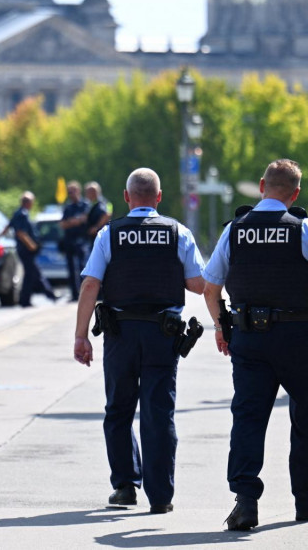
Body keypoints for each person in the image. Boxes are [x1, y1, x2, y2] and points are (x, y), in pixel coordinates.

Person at [201, 159, 308, 531]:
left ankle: (246, 504)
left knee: (248, 419)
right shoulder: (305, 229)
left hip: (250, 339)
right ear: (295, 193)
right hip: (300, 339)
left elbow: (210, 287)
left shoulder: (235, 230)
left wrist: (222, 326)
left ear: (262, 186)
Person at [73, 168, 205, 513]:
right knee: (158, 412)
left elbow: (90, 285)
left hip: (121, 334)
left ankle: (125, 486)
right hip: (164, 334)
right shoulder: (178, 232)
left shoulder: (109, 234)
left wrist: (80, 335)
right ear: (158, 198)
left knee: (119, 409)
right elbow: (198, 283)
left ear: (127, 197)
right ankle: (160, 497)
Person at [7, 191, 58, 307]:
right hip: (26, 250)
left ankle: (44, 296)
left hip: (23, 250)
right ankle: (31, 299)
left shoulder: (17, 213)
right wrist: (33, 247)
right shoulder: (22, 214)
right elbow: (21, 233)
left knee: (33, 274)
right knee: (32, 274)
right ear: (28, 203)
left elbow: (8, 227)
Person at [59, 181, 91, 301]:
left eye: (72, 191)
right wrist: (74, 221)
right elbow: (63, 224)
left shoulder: (85, 205)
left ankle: (85, 293)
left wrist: (71, 222)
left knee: (83, 267)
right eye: (69, 192)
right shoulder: (68, 207)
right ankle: (74, 294)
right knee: (71, 269)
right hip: (69, 241)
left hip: (81, 241)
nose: (70, 194)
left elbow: (85, 219)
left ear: (78, 191)